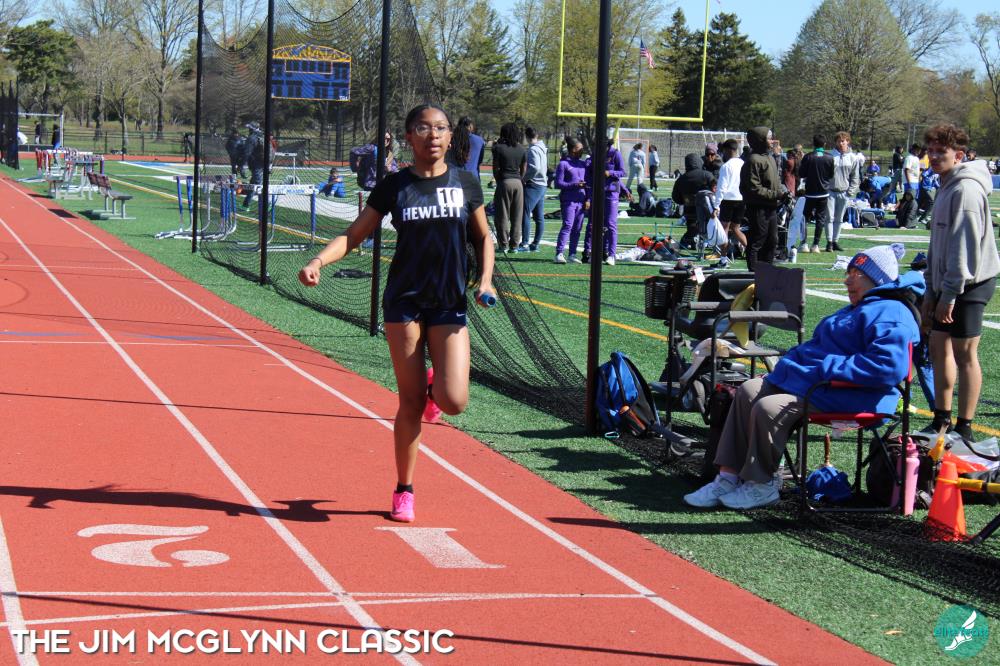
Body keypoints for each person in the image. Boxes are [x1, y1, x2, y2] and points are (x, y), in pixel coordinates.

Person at [298, 104, 495, 523]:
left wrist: (485, 281)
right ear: (409, 137)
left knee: (454, 401)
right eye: (423, 128)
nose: (433, 135)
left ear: (450, 136)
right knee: (409, 402)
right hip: (404, 302)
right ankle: (404, 489)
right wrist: (318, 261)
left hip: (448, 302)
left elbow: (483, 238)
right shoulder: (395, 185)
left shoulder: (465, 182)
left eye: (440, 128)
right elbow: (354, 234)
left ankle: (436, 385)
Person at [685, 244, 923, 509]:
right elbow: (818, 348)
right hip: (827, 388)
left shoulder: (893, 313)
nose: (847, 280)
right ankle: (728, 477)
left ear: (877, 279)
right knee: (748, 390)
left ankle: (762, 484)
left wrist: (825, 367)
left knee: (769, 407)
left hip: (858, 395)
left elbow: (888, 368)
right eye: (848, 273)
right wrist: (795, 363)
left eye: (856, 274)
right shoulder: (858, 308)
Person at [920, 124, 999, 443]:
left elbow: (964, 248)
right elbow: (936, 245)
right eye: (931, 150)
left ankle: (964, 426)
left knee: (964, 352)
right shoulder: (945, 185)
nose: (934, 156)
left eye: (942, 151)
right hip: (946, 282)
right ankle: (941, 419)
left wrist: (949, 294)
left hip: (971, 281)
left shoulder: (965, 189)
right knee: (938, 347)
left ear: (959, 155)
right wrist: (930, 289)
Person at [739, 127, 786, 270]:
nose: (772, 141)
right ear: (760, 140)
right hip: (758, 207)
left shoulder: (769, 157)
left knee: (772, 240)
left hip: (770, 206)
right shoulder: (753, 160)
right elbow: (754, 188)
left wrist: (783, 192)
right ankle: (754, 272)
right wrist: (776, 194)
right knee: (758, 240)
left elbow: (775, 181)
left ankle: (767, 270)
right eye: (769, 139)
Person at [583, 138, 626, 265]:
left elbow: (622, 172)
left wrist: (610, 173)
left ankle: (611, 255)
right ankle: (588, 251)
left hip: (611, 193)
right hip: (596, 192)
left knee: (610, 224)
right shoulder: (594, 155)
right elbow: (589, 174)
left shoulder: (615, 154)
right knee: (592, 224)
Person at [553, 136, 588, 264]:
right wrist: (575, 185)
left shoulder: (583, 164)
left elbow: (588, 183)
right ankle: (559, 253)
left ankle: (572, 254)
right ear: (573, 150)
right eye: (580, 148)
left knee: (577, 228)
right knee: (568, 225)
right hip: (568, 200)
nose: (582, 151)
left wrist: (588, 199)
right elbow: (558, 184)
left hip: (581, 201)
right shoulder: (563, 164)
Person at [491, 123, 526, 252]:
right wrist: (520, 178)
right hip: (518, 183)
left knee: (502, 215)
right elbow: (524, 168)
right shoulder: (522, 149)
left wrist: (499, 179)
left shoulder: (498, 148)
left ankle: (503, 244)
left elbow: (495, 168)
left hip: (504, 181)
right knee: (517, 216)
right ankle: (515, 245)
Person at [799, 134, 835, 254]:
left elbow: (801, 173)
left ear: (813, 143)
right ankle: (816, 245)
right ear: (824, 144)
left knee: (804, 218)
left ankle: (804, 243)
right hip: (823, 193)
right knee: (820, 219)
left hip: (810, 192)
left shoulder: (808, 157)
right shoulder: (830, 157)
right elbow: (831, 175)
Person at [827, 131, 863, 251]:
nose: (841, 143)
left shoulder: (853, 157)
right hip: (830, 191)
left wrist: (850, 192)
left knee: (839, 218)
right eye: (839, 141)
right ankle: (829, 242)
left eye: (843, 141)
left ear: (848, 141)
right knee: (829, 218)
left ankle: (835, 241)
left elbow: (855, 177)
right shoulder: (830, 156)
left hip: (844, 192)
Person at [713, 139, 747, 262]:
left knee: (724, 230)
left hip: (728, 200)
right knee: (736, 228)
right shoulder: (744, 164)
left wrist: (716, 206)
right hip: (741, 199)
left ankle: (723, 259)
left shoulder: (726, 166)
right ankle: (752, 252)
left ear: (727, 150)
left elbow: (721, 187)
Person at [672, 152, 715, 250]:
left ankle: (690, 239)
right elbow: (715, 190)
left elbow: (675, 197)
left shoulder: (681, 179)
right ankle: (702, 239)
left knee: (691, 225)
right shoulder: (707, 175)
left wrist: (685, 201)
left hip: (689, 211)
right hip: (706, 211)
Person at [520, 126, 547, 252]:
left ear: (526, 136)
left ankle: (525, 243)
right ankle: (535, 244)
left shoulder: (533, 149)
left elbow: (535, 168)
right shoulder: (542, 148)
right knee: (539, 216)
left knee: (525, 213)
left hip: (534, 184)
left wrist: (524, 178)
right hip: (542, 184)